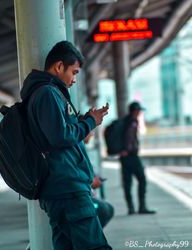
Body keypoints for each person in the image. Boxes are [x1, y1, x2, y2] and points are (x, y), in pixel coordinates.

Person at [20, 41, 112, 250]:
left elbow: (61, 134)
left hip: (61, 188)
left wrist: (85, 123)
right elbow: (60, 137)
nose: (75, 79)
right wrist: (90, 122)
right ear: (59, 66)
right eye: (74, 72)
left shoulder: (47, 93)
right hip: (67, 188)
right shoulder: (47, 94)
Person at [120, 101, 156, 215]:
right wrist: (128, 149)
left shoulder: (124, 121)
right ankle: (142, 206)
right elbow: (129, 136)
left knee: (127, 183)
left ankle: (131, 208)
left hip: (124, 157)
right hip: (131, 155)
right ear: (135, 111)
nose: (140, 112)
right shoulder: (132, 122)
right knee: (142, 179)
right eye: (139, 110)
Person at [84, 131, 114, 228]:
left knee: (107, 208)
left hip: (87, 192)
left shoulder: (81, 148)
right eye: (90, 131)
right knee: (103, 209)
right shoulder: (75, 148)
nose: (92, 134)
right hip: (80, 196)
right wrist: (91, 182)